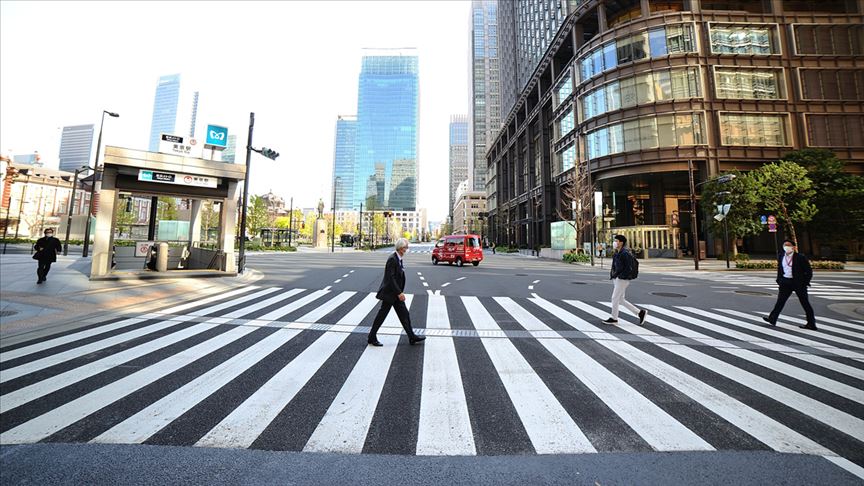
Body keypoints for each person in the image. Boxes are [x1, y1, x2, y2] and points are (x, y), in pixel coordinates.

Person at [367, 238, 426, 347]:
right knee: (382, 315)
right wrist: (399, 293)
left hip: (394, 294)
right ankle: (371, 336)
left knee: (404, 314)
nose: (406, 250)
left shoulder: (398, 259)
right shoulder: (392, 259)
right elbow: (391, 278)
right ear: (400, 248)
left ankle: (411, 336)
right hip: (390, 294)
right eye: (405, 248)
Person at [764, 239, 816, 330]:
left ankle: (811, 323)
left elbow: (808, 271)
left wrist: (805, 282)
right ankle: (772, 318)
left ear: (793, 247)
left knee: (805, 303)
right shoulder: (781, 256)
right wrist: (779, 280)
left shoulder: (800, 257)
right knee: (780, 301)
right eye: (785, 245)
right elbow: (780, 269)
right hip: (785, 282)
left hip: (798, 283)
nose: (786, 247)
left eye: (788, 245)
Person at [602, 234, 647, 325]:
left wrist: (621, 276)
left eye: (616, 241)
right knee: (621, 300)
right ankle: (640, 313)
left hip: (622, 279)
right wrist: (614, 275)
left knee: (614, 298)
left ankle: (614, 318)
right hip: (617, 278)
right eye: (614, 241)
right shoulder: (617, 253)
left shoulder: (625, 253)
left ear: (621, 243)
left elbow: (629, 267)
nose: (614, 243)